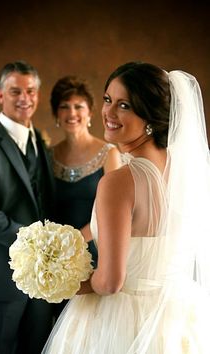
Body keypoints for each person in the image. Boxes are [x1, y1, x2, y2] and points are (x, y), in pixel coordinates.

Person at [42, 62, 210, 353]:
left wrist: (54, 284)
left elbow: (109, 282)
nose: (108, 112)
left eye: (124, 105)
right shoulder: (184, 168)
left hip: (119, 322)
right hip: (174, 316)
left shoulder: (118, 182)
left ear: (150, 116)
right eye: (108, 99)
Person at [0, 61, 57, 354]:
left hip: (41, 282)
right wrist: (36, 242)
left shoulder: (41, 142)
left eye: (31, 91)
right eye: (15, 91)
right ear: (0, 96)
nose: (25, 98)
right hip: (0, 279)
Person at [49, 75, 121, 266]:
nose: (71, 113)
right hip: (54, 254)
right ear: (56, 114)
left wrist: (73, 243)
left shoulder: (109, 154)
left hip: (95, 252)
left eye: (78, 106)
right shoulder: (48, 155)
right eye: (64, 106)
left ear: (90, 113)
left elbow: (114, 212)